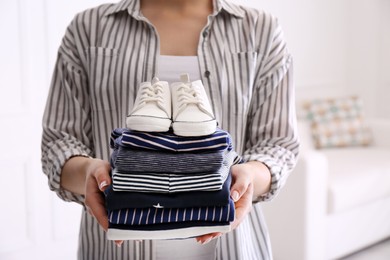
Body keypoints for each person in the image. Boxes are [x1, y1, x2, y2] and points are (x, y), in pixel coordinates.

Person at [41, 0, 299, 259]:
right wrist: (89, 172)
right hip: (114, 249)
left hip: (234, 247)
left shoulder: (260, 30)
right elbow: (59, 143)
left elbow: (277, 144)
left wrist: (249, 177)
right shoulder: (89, 28)